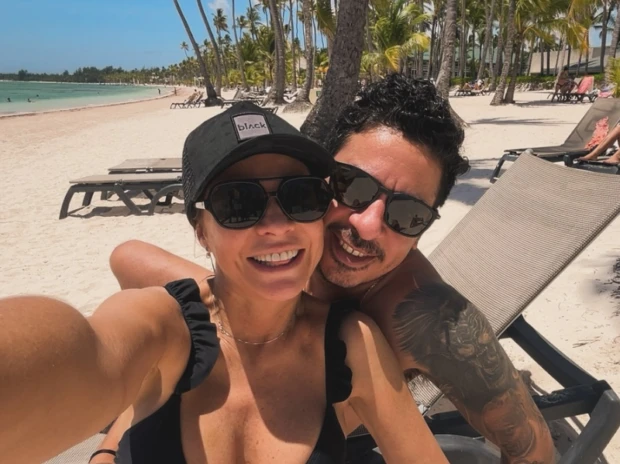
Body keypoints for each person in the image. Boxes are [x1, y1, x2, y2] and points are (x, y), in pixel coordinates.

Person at [108, 75, 555, 463]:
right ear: (320, 179)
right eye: (354, 187)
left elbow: (533, 449)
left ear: (423, 229)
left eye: (408, 214)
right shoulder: (283, 253)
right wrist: (111, 443)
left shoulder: (426, 321)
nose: (368, 226)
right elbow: (127, 258)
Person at [0, 102, 448, 464]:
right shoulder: (164, 325)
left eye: (301, 195)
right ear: (201, 231)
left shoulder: (352, 345)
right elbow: (87, 353)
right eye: (238, 203)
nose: (277, 225)